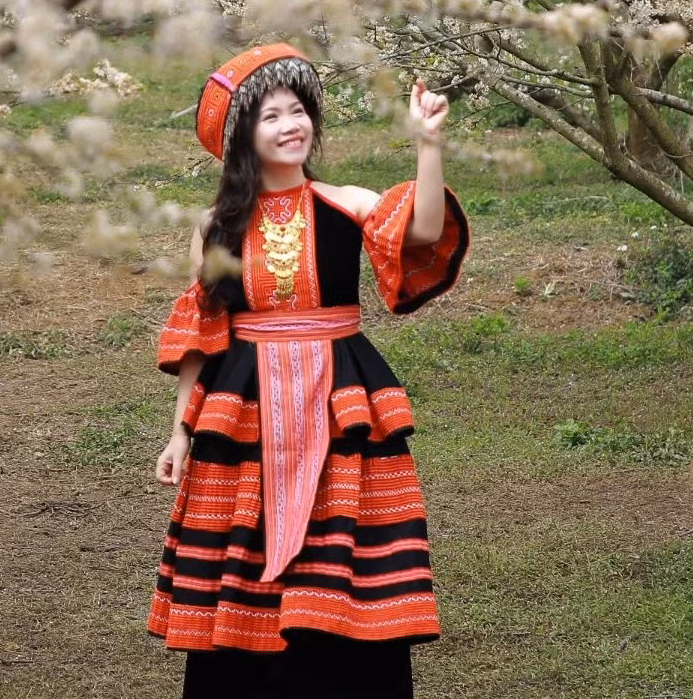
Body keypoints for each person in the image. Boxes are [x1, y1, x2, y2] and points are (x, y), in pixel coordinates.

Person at [147, 43, 470, 699]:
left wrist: (427, 146)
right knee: (244, 556)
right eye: (271, 116)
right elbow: (204, 333)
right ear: (242, 138)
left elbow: (425, 227)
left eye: (298, 111)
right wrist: (180, 430)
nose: (291, 124)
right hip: (245, 413)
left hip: (339, 404)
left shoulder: (345, 201)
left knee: (341, 553)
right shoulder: (215, 227)